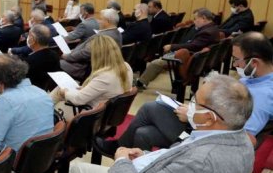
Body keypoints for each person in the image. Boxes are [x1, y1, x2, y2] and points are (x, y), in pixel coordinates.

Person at [30, 73, 254, 173]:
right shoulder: (240, 140)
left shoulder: (203, 162)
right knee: (77, 170)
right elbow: (180, 167)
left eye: (196, 102)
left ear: (210, 118)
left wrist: (121, 161)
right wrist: (146, 155)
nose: (190, 105)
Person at [98, 32, 273, 154]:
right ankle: (141, 169)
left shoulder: (262, 95)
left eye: (236, 60)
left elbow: (242, 139)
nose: (235, 65)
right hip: (203, 126)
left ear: (254, 62)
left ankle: (119, 148)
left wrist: (193, 116)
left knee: (150, 108)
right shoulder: (255, 79)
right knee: (143, 134)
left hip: (205, 141)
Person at [52, 35, 132, 120]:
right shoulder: (126, 66)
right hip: (106, 112)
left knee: (59, 90)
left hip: (91, 114)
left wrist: (64, 92)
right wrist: (86, 88)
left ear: (97, 55)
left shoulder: (105, 76)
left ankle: (44, 114)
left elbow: (78, 100)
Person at [136, 8, 219, 89]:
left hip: (188, 59)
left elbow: (193, 46)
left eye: (195, 18)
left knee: (156, 63)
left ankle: (140, 82)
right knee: (160, 61)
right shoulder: (212, 28)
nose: (194, 21)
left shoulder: (206, 32)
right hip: (194, 57)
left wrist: (172, 47)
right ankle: (143, 81)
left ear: (203, 18)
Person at [60, 8, 122, 80]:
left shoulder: (102, 37)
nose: (98, 21)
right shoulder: (117, 34)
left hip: (83, 67)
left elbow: (85, 53)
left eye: (101, 19)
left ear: (107, 21)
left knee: (54, 64)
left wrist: (67, 56)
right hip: (99, 67)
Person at [25, 25, 61, 89]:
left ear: (33, 39)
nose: (27, 37)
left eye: (29, 35)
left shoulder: (30, 61)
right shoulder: (55, 54)